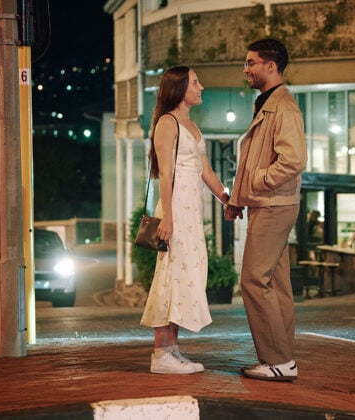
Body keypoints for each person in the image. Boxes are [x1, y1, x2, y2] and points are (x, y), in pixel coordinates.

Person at [224, 38, 307, 382]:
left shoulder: (282, 106)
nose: (246, 69)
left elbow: (294, 159)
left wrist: (258, 182)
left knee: (253, 281)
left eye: (251, 62)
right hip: (269, 202)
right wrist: (237, 199)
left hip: (273, 203)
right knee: (274, 282)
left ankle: (277, 359)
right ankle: (283, 358)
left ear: (270, 66)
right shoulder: (268, 103)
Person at [140, 66, 230, 375]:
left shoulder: (191, 125)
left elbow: (205, 169)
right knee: (172, 275)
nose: (201, 87)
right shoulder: (167, 123)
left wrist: (226, 199)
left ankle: (171, 348)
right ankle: (161, 353)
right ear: (179, 89)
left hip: (191, 212)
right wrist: (168, 216)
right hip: (176, 209)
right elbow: (165, 174)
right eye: (195, 82)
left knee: (187, 274)